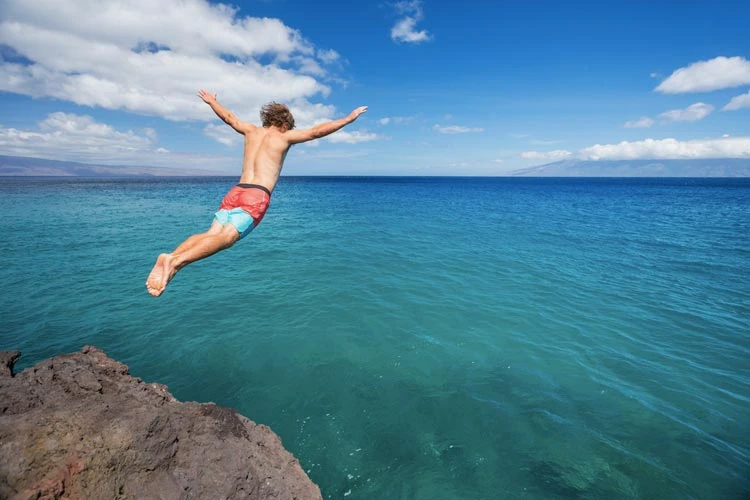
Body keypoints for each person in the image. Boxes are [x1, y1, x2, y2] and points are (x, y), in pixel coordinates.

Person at [145, 90, 367, 296]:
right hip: (256, 195)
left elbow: (229, 118)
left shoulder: (250, 130)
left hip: (235, 191)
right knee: (226, 239)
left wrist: (213, 102)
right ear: (283, 123)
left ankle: (172, 259)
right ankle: (175, 261)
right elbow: (316, 132)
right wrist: (348, 119)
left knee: (212, 233)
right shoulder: (284, 136)